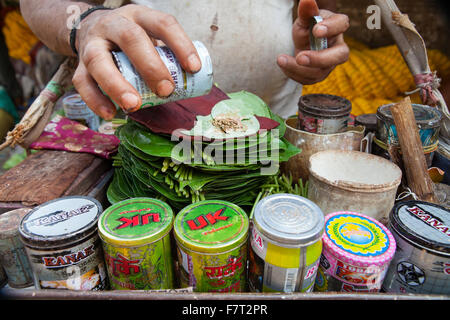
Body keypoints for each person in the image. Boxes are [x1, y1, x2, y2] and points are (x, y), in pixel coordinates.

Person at [19, 0, 349, 120]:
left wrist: (315, 48)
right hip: (152, 135)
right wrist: (86, 23)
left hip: (272, 133)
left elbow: (318, 12)